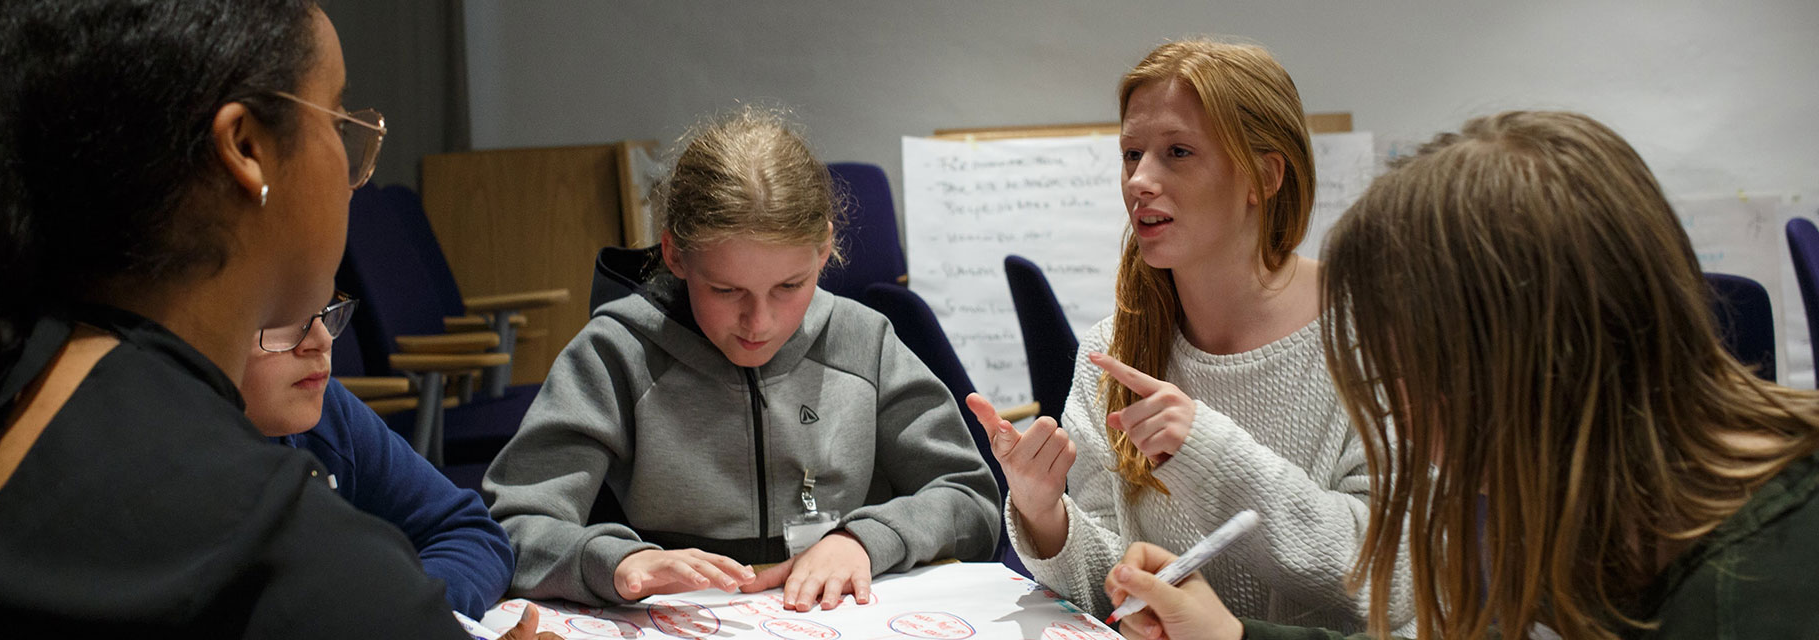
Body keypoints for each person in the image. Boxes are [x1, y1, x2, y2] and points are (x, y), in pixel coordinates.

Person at [0, 1, 545, 637]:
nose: (356, 170)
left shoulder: (11, 402)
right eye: (338, 117)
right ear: (246, 147)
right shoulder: (275, 549)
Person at [1103, 111, 1819, 640]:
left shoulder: (1761, 592)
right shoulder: (1573, 501)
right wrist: (1230, 637)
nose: (1397, 413)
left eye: (1404, 371)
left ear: (1516, 369)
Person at [964, 39, 1414, 631]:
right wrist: (1044, 514)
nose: (1139, 181)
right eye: (1131, 154)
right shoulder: (1115, 347)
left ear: (1265, 175)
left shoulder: (1369, 337)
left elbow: (1390, 579)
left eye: (1177, 152)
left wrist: (1209, 453)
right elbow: (1110, 591)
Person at [486, 106, 1002, 611]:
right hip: (682, 619)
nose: (759, 323)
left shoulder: (863, 342)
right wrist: (618, 561)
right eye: (726, 289)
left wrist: (864, 540)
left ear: (824, 249)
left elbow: (971, 503)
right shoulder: (615, 354)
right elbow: (512, 528)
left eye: (789, 286)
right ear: (675, 255)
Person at [240, 292, 515, 619]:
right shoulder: (178, 467)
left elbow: (470, 531)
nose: (322, 339)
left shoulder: (328, 411)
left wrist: (405, 616)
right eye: (283, 318)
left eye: (324, 311)